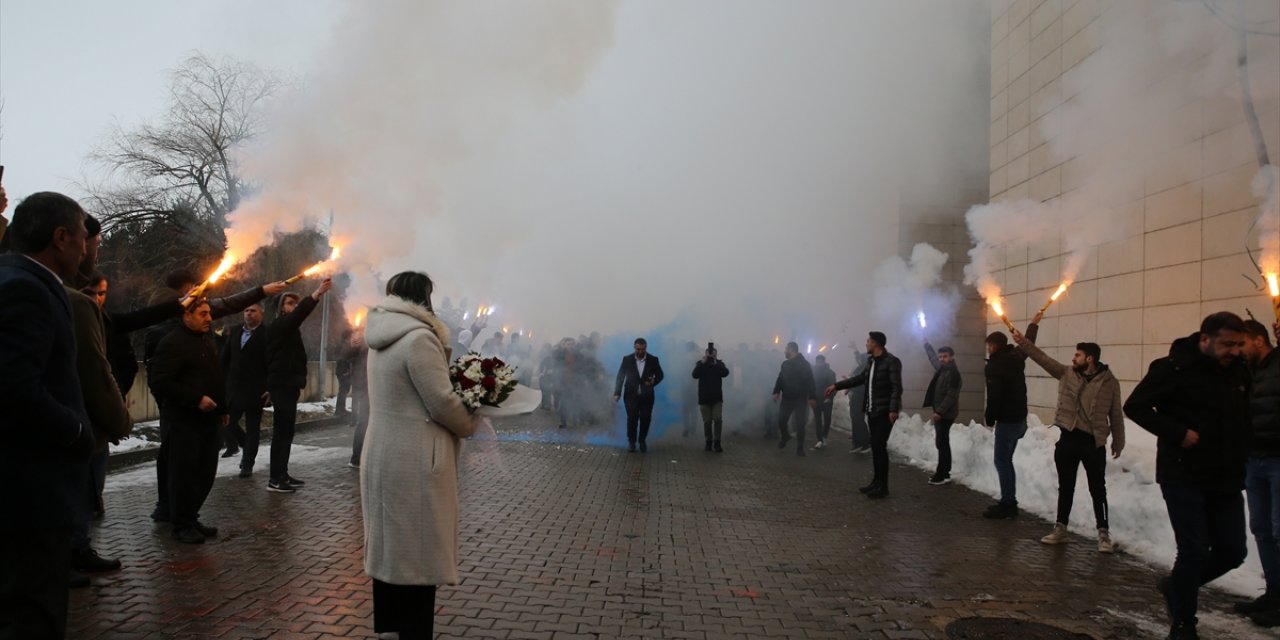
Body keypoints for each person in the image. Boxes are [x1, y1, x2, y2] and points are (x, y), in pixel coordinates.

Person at [360, 271, 478, 639]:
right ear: (424, 298)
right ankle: (412, 632)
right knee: (417, 553)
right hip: (414, 457)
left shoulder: (379, 337)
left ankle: (388, 628)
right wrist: (470, 419)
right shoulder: (418, 339)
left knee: (389, 550)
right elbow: (441, 402)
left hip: (382, 449)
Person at [0, 192, 94, 639]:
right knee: (33, 612)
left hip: (25, 489)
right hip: (29, 494)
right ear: (60, 238)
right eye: (81, 238)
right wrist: (75, 429)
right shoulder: (25, 289)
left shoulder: (20, 278)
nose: (86, 249)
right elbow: (15, 388)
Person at [1124, 312, 1252, 640]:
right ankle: (1183, 623)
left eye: (1239, 344)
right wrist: (1178, 432)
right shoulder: (1174, 367)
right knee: (1194, 549)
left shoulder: (1240, 371)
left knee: (1233, 551)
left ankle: (1175, 585)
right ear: (1205, 339)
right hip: (1183, 473)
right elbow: (1135, 406)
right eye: (1227, 344)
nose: (1234, 351)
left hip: (1225, 476)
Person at [147, 271, 287, 522]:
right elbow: (159, 378)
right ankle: (170, 509)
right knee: (174, 461)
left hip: (203, 410)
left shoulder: (202, 329)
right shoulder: (165, 333)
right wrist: (177, 402)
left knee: (201, 463)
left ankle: (187, 514)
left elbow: (230, 304)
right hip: (177, 410)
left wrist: (261, 291)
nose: (209, 316)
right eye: (192, 290)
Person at [65, 216, 132, 582]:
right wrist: (119, 418)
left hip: (89, 426)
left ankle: (78, 548)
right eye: (94, 242)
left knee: (88, 495)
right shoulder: (74, 305)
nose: (95, 250)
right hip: (76, 426)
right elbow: (94, 369)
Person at [1014, 332, 1124, 552]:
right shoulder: (1067, 374)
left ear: (1090, 358)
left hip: (1093, 443)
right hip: (1068, 439)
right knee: (1066, 487)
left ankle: (1103, 534)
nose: (1073, 359)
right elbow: (1042, 358)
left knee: (1098, 488)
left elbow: (1115, 413)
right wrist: (1023, 343)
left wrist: (1118, 440)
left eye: (1078, 355)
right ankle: (1060, 529)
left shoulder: (1110, 382)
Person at [147, 299, 229, 544]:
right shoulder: (172, 343)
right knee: (184, 475)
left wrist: (222, 407)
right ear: (187, 315)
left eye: (209, 314)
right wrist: (195, 399)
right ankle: (181, 524)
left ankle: (191, 517)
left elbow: (215, 376)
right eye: (202, 314)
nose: (208, 318)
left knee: (204, 473)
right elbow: (160, 381)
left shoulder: (205, 339)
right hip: (184, 421)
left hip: (208, 420)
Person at [264, 279, 333, 493]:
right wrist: (316, 295)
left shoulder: (290, 329)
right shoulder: (280, 326)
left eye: (295, 302)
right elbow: (298, 316)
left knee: (287, 431)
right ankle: (275, 479)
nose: (293, 306)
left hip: (289, 384)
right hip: (282, 384)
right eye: (289, 303)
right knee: (282, 431)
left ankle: (282, 473)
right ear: (280, 309)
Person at [1235, 319, 1280, 627]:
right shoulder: (1248, 372)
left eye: (1243, 344)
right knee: (1262, 529)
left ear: (1260, 341)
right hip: (1254, 459)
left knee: (1279, 530)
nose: (1239, 350)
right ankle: (1274, 593)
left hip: (1279, 459)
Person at [826, 332, 902, 499]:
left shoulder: (891, 362)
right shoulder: (871, 361)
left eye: (868, 341)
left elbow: (897, 387)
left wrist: (893, 409)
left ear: (876, 344)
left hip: (884, 412)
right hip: (872, 410)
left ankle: (883, 487)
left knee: (879, 447)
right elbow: (859, 379)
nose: (866, 344)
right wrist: (837, 385)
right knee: (875, 447)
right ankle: (876, 482)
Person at [980, 318, 1039, 520]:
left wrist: (989, 417)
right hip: (1020, 418)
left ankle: (1008, 503)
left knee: (1002, 461)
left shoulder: (995, 367)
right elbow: (1028, 345)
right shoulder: (1016, 357)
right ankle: (1009, 500)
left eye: (989, 345)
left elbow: (995, 396)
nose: (987, 349)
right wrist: (1033, 325)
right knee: (1007, 460)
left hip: (1007, 421)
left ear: (994, 346)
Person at [221, 303, 269, 477]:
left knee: (253, 428)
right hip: (233, 388)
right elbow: (225, 359)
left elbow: (270, 362)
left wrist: (268, 387)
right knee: (227, 423)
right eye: (246, 310)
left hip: (256, 390)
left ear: (261, 313)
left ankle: (247, 464)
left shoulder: (266, 334)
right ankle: (245, 444)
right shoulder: (235, 331)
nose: (249, 314)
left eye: (253, 311)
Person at [613, 338, 665, 452]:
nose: (640, 352)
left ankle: (642, 440)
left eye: (642, 349)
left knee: (645, 418)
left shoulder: (653, 360)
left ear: (646, 348)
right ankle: (631, 442)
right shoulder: (627, 359)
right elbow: (620, 376)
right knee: (632, 419)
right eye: (638, 349)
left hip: (647, 396)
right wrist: (617, 393)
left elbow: (660, 375)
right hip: (631, 395)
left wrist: (653, 382)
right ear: (634, 347)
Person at [922, 340, 962, 485]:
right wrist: (927, 344)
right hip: (941, 412)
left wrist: (939, 412)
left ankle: (942, 473)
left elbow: (952, 395)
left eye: (945, 356)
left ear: (951, 357)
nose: (941, 359)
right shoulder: (942, 369)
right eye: (940, 357)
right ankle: (944, 472)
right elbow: (932, 358)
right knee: (942, 442)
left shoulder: (954, 374)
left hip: (946, 414)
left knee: (942, 443)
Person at [772, 342, 817, 456]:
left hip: (800, 398)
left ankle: (800, 447)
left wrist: (812, 397)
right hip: (787, 397)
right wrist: (776, 391)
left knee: (800, 423)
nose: (784, 351)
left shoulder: (804, 364)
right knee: (781, 420)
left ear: (791, 350)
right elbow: (780, 378)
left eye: (786, 349)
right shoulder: (785, 364)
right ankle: (785, 436)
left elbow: (810, 381)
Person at [692, 344, 730, 452]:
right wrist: (703, 363)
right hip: (704, 398)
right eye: (709, 354)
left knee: (718, 419)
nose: (711, 357)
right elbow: (694, 375)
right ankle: (708, 442)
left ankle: (717, 442)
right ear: (705, 354)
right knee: (707, 421)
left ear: (716, 355)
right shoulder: (700, 364)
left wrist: (715, 363)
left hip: (717, 398)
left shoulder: (719, 364)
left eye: (713, 355)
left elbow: (725, 373)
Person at [343, 327, 370, 468]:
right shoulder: (359, 339)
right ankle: (357, 457)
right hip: (365, 385)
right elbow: (344, 354)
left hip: (370, 384)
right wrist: (352, 345)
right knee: (364, 421)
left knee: (366, 422)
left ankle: (362, 456)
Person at [845, 349, 871, 453]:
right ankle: (857, 443)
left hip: (861, 398)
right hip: (855, 397)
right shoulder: (860, 368)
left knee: (858, 419)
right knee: (855, 419)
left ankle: (865, 443)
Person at [811, 354, 837, 450]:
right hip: (816, 399)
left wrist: (829, 397)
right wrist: (811, 397)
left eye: (820, 362)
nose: (819, 364)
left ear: (824, 362)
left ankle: (824, 436)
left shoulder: (830, 373)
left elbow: (834, 386)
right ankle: (819, 439)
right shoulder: (812, 372)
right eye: (817, 362)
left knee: (827, 419)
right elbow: (810, 386)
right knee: (817, 420)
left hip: (827, 400)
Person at [334, 328, 354, 418]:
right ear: (348, 336)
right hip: (343, 372)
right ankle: (339, 410)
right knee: (343, 391)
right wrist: (346, 371)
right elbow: (342, 359)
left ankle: (341, 409)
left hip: (342, 371)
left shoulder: (342, 345)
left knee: (343, 390)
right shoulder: (344, 346)